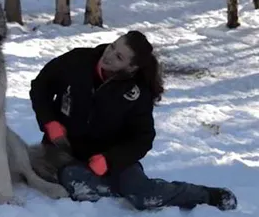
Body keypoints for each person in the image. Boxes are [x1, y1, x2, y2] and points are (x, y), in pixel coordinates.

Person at [28, 30, 237, 211]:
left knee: (143, 196)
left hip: (112, 158)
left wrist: (109, 160)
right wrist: (49, 122)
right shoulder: (77, 61)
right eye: (112, 46)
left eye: (118, 57)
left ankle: (207, 195)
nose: (108, 55)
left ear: (131, 68)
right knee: (75, 182)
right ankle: (114, 190)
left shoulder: (137, 93)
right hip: (65, 151)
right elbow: (40, 87)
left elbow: (142, 138)